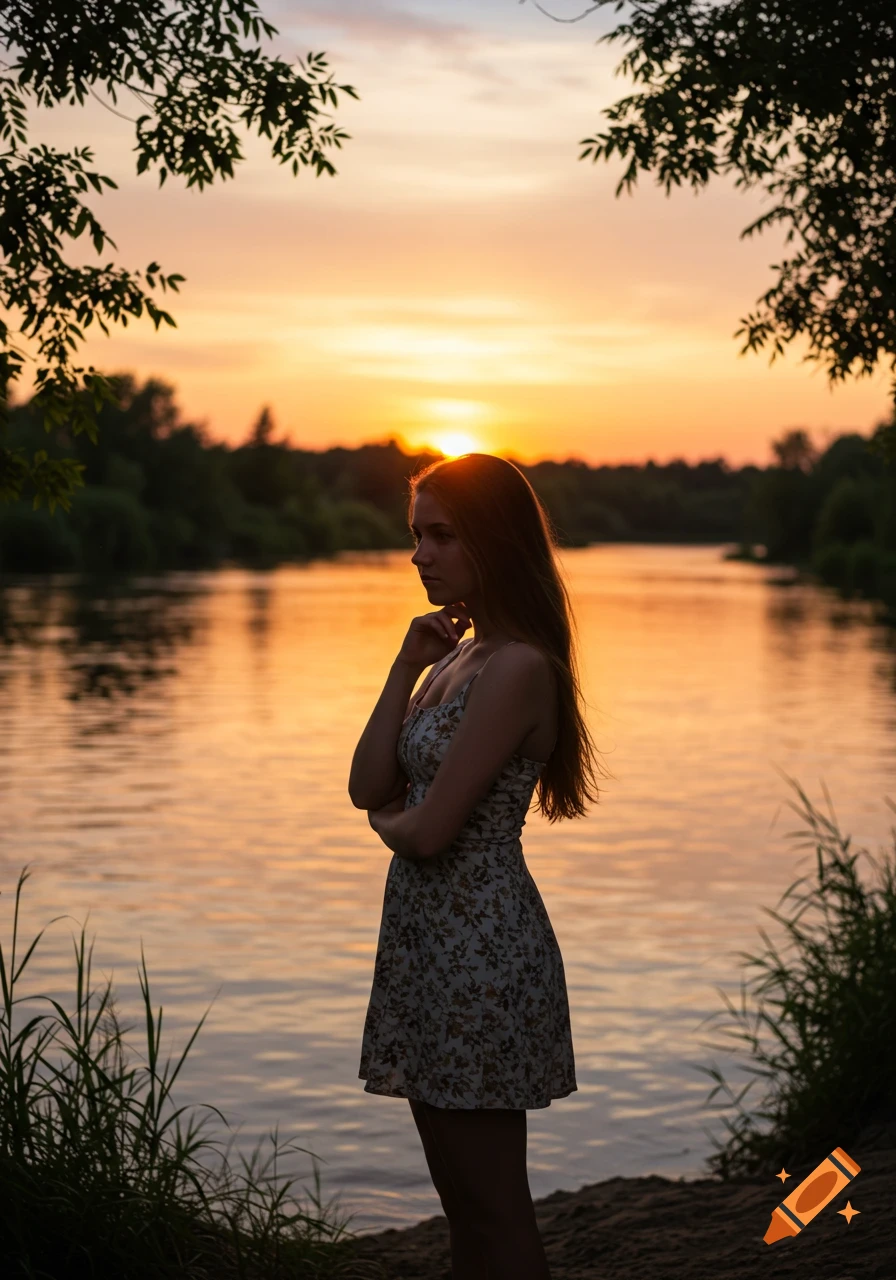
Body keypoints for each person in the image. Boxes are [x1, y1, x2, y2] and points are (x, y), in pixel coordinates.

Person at [349, 452, 608, 1280]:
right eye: (415, 535)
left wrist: (392, 818)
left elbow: (423, 831)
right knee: (460, 1203)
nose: (420, 554)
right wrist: (403, 664)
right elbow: (366, 783)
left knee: (495, 1207)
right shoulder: (452, 657)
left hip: (481, 952)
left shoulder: (518, 668)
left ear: (493, 541)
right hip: (429, 942)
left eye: (441, 536)